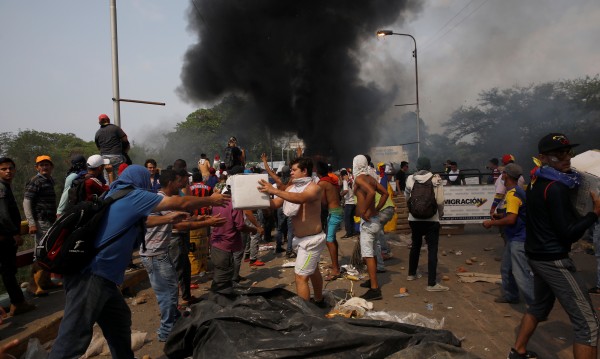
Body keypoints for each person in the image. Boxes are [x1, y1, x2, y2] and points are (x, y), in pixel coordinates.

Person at [48, 165, 230, 359]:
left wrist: (168, 218)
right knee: (73, 337)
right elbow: (180, 202)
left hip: (105, 278)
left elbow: (142, 222)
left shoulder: (114, 194)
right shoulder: (133, 195)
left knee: (119, 321)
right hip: (92, 275)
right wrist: (211, 199)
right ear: (141, 179)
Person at [508, 133, 600, 359]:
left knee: (538, 307)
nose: (566, 158)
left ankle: (518, 352)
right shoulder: (556, 187)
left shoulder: (536, 182)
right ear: (543, 158)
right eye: (558, 154)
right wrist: (594, 214)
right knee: (588, 325)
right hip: (554, 260)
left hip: (536, 255)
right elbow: (568, 232)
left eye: (567, 152)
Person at [142, 169, 225, 342]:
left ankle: (173, 323)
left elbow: (178, 220)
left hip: (159, 253)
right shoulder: (162, 199)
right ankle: (166, 332)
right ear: (171, 182)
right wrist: (209, 215)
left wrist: (201, 220)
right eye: (180, 181)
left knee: (171, 291)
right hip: (155, 254)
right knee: (168, 294)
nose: (183, 185)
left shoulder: (162, 199)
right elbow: (179, 223)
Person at [258, 157, 327, 305]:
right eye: (291, 170)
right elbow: (276, 203)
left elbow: (300, 198)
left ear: (305, 171)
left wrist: (274, 190)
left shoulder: (314, 188)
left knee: (301, 276)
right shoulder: (291, 188)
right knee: (313, 270)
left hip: (311, 241)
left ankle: (305, 314)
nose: (291, 172)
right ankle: (319, 300)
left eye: (294, 170)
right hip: (300, 239)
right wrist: (257, 200)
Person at [482, 164, 533, 305]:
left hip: (519, 238)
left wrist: (491, 223)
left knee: (520, 273)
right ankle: (511, 295)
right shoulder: (517, 191)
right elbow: (512, 214)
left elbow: (511, 219)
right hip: (515, 237)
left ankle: (536, 305)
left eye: (503, 173)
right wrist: (500, 215)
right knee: (506, 268)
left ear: (506, 176)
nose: (501, 175)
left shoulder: (512, 194)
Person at [405, 157, 448, 292]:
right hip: (431, 220)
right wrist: (440, 214)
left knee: (415, 245)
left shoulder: (410, 179)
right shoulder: (436, 179)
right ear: (429, 166)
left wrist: (412, 211)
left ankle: (411, 274)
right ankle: (431, 283)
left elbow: (407, 198)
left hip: (414, 219)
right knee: (432, 250)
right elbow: (440, 201)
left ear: (417, 166)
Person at [0, 157, 36, 316]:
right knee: (8, 270)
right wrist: (14, 233)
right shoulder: (1, 188)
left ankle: (17, 302)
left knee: (8, 270)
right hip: (5, 236)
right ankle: (18, 303)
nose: (8, 171)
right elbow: (3, 216)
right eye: (3, 169)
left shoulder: (5, 187)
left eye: (10, 168)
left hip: (6, 235)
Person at [352, 155, 389, 300]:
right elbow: (384, 193)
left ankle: (375, 289)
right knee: (372, 254)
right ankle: (371, 280)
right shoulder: (371, 178)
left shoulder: (360, 178)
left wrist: (364, 211)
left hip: (368, 223)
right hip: (375, 220)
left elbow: (372, 193)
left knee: (368, 255)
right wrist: (377, 209)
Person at [211, 182, 258, 292]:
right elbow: (240, 226)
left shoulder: (217, 203)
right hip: (226, 245)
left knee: (219, 276)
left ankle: (219, 298)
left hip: (216, 243)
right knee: (223, 279)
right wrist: (253, 229)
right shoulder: (234, 204)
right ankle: (220, 301)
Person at [24, 155, 57, 296]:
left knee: (48, 251)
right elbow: (27, 202)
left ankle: (45, 281)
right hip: (40, 221)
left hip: (49, 221)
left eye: (47, 164)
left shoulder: (49, 180)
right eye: (41, 165)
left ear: (51, 167)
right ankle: (34, 286)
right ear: (37, 167)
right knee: (40, 252)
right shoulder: (35, 181)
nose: (44, 167)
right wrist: (31, 223)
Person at [316, 161, 343, 280]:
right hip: (338, 211)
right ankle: (335, 264)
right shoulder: (332, 180)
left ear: (317, 172)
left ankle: (336, 270)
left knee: (329, 241)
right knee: (332, 239)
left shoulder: (322, 183)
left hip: (333, 213)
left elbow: (323, 201)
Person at [340, 169, 357, 238]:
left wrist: (340, 194)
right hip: (354, 202)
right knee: (351, 218)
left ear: (342, 176)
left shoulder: (345, 181)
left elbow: (346, 190)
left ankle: (348, 233)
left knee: (347, 218)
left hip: (349, 202)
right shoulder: (351, 180)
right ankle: (353, 231)